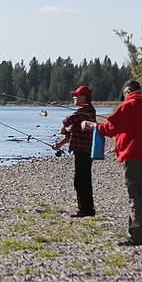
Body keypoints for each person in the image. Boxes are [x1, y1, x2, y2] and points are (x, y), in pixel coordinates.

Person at [83, 79, 142, 247]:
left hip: (133, 157)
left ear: (126, 92)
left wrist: (93, 126)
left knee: (136, 196)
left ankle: (136, 236)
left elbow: (111, 128)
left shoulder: (129, 105)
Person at [53, 85, 97, 217]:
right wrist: (59, 144)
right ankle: (86, 209)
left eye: (76, 95)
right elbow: (73, 133)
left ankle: (85, 210)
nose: (74, 97)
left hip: (84, 151)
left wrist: (63, 125)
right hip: (83, 150)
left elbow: (69, 119)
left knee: (81, 181)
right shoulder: (86, 110)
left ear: (84, 97)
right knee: (83, 180)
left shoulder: (86, 109)